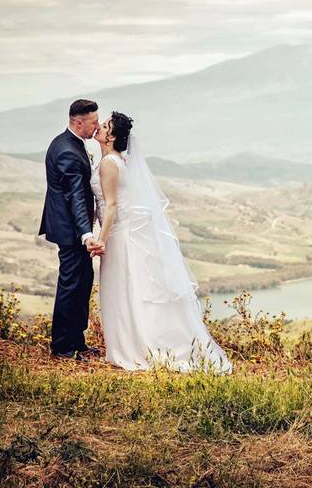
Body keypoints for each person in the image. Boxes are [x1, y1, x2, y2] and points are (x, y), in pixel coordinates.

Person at [90, 111, 232, 373]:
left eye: (105, 125)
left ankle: (137, 347)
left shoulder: (110, 163)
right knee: (132, 289)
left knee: (125, 289)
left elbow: (110, 206)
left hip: (120, 235)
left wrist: (100, 240)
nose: (99, 127)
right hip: (125, 232)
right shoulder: (119, 160)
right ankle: (135, 344)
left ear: (111, 136)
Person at [39, 99, 105, 360]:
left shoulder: (68, 143)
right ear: (78, 122)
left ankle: (76, 341)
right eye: (93, 122)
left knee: (82, 281)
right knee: (71, 285)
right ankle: (63, 347)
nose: (97, 126)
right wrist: (86, 234)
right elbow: (76, 196)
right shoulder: (67, 150)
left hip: (70, 228)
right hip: (71, 231)